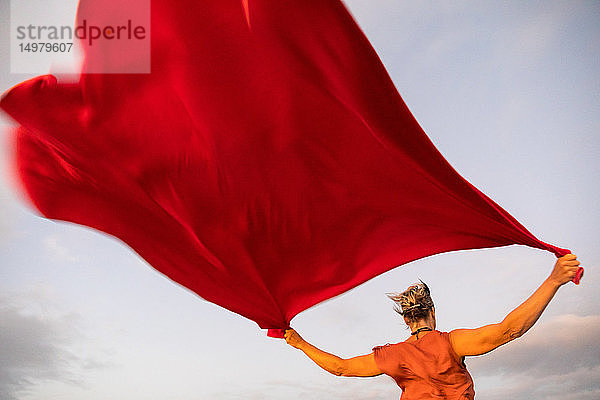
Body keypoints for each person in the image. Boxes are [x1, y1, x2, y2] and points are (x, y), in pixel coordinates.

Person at [284, 253, 581, 399]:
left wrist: (299, 342)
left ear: (405, 320)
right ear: (433, 313)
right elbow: (510, 329)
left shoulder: (392, 356)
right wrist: (554, 280)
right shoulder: (453, 343)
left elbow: (340, 367)